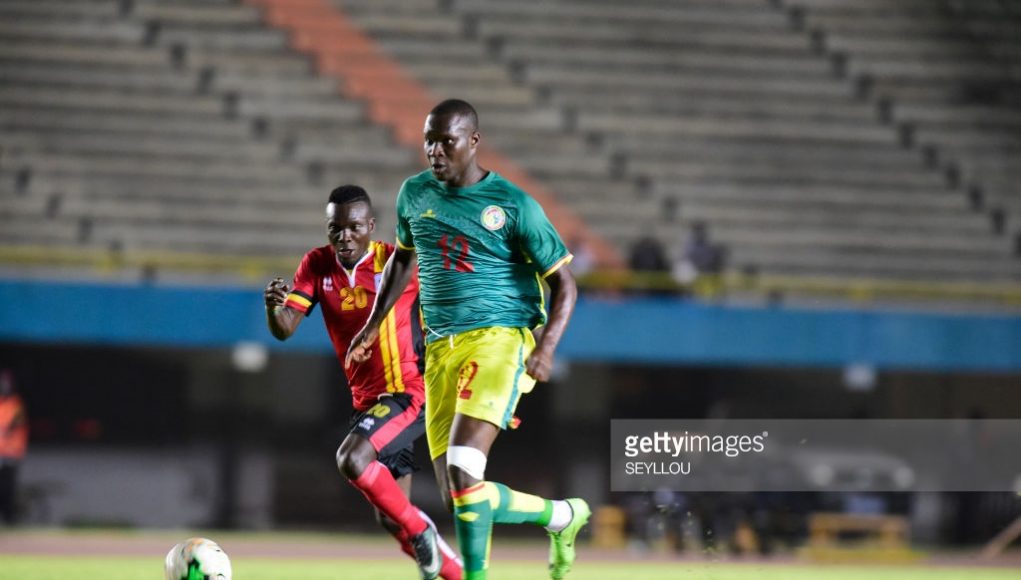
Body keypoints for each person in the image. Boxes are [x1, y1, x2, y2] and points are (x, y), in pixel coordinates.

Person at [346, 99, 590, 580]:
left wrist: (546, 348)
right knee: (459, 494)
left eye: (446, 141)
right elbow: (402, 260)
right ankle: (563, 516)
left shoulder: (514, 205)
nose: (435, 151)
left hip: (498, 341)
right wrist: (373, 325)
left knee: (461, 469)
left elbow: (565, 284)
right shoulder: (414, 193)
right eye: (429, 141)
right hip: (439, 350)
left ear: (473, 141)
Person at [264, 185, 462, 580]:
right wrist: (273, 307)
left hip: (409, 392)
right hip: (369, 404)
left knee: (352, 459)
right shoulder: (317, 264)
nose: (344, 237)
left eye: (354, 227)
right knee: (391, 518)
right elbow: (285, 328)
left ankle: (423, 529)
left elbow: (450, 289)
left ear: (371, 226)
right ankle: (461, 573)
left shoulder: (395, 261)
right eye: (335, 228)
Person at [0, 370, 28, 525]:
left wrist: (6, 430)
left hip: (10, 454)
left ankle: (9, 519)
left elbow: (16, 422)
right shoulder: (1, 404)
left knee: (7, 487)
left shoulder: (16, 404)